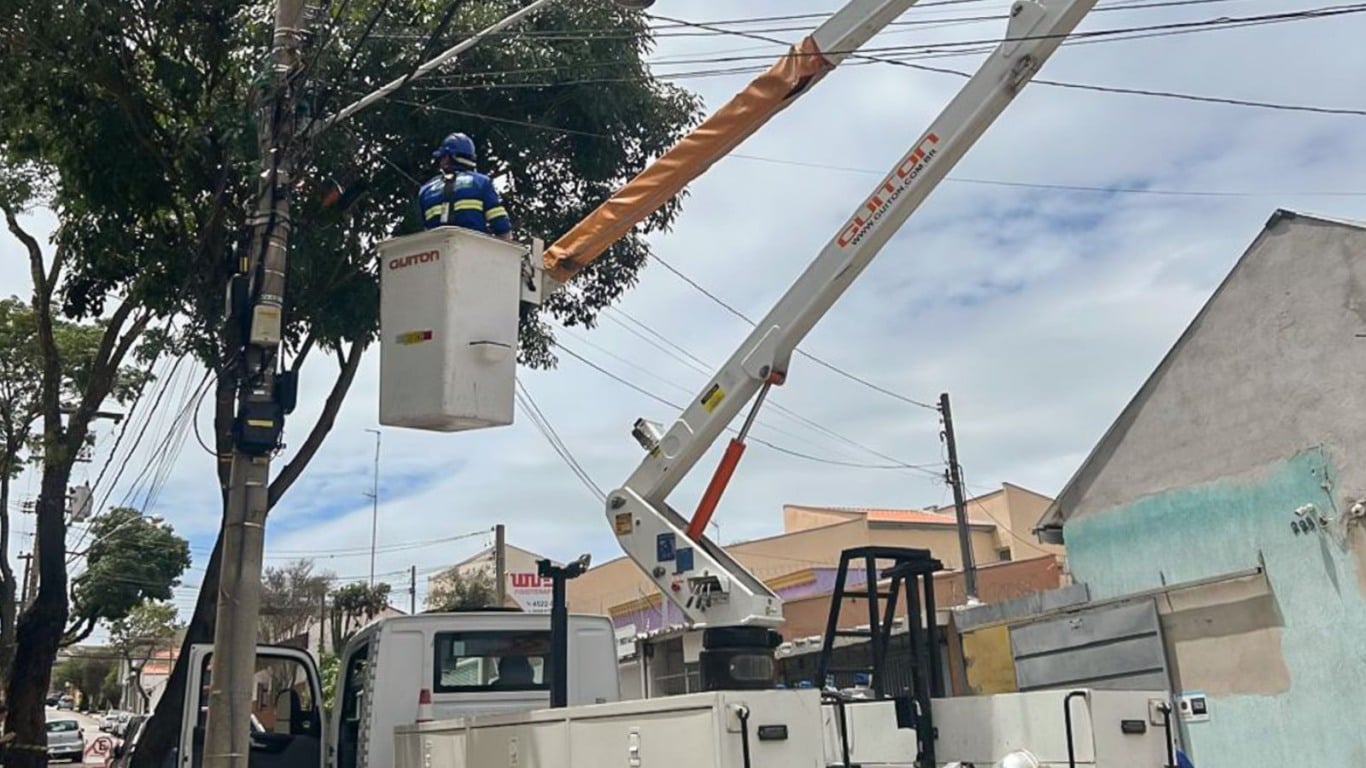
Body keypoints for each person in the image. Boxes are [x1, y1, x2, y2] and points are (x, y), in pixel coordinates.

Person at [418, 132, 512, 240]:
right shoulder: (482, 183)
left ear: (447, 158)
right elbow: (501, 226)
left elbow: (424, 232)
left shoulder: (425, 190)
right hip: (474, 250)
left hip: (437, 252)